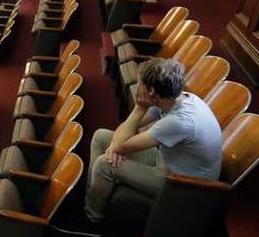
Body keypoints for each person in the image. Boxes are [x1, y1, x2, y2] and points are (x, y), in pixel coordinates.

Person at [84, 58, 223, 224]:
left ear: (151, 92)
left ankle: (93, 217)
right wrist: (117, 147)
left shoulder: (179, 121)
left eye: (139, 85)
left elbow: (122, 142)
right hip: (169, 162)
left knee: (104, 164)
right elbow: (126, 130)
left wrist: (139, 108)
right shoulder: (174, 97)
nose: (137, 90)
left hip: (183, 185)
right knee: (101, 137)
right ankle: (92, 195)